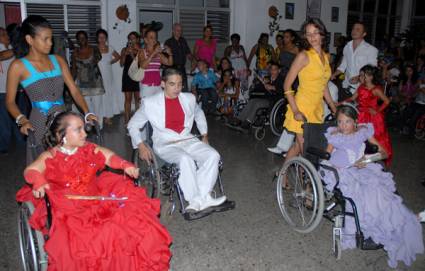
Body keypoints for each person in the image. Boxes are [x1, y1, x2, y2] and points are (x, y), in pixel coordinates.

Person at [16, 111, 172, 270]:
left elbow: (108, 156)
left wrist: (125, 165)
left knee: (130, 219)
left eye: (84, 128)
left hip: (96, 194)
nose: (85, 133)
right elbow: (31, 170)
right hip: (69, 206)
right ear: (60, 134)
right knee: (100, 234)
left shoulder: (88, 148)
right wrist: (39, 181)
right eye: (78, 129)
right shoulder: (50, 155)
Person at [320, 105, 423, 268]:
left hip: (364, 169)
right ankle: (392, 223)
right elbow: (325, 156)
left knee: (383, 194)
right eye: (340, 121)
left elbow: (384, 153)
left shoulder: (363, 132)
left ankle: (406, 219)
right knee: (365, 196)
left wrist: (367, 159)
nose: (343, 126)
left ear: (355, 121)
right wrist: (335, 167)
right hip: (343, 172)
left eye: (347, 122)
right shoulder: (335, 135)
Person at [128, 68, 227, 212]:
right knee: (185, 159)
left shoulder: (189, 98)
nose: (177, 88)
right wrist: (140, 145)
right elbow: (133, 125)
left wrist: (204, 134)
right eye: (172, 84)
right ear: (163, 84)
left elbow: (199, 113)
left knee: (213, 155)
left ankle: (203, 196)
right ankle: (195, 199)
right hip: (165, 143)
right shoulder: (150, 103)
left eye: (180, 84)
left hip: (187, 138)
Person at [5, 15, 94, 164]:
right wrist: (22, 120)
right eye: (45, 39)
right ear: (29, 40)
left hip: (63, 120)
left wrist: (87, 112)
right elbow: (9, 102)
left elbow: (74, 90)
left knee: (69, 165)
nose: (50, 43)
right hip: (39, 123)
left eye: (51, 39)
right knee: (45, 167)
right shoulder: (18, 66)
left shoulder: (58, 60)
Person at [282, 18, 336, 184]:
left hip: (316, 110)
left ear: (322, 34)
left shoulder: (326, 57)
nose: (312, 37)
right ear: (305, 37)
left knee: (298, 147)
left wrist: (334, 107)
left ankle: (282, 174)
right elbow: (287, 85)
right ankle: (307, 190)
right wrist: (296, 110)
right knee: (307, 150)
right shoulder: (303, 56)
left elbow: (323, 86)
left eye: (316, 33)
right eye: (309, 34)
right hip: (301, 108)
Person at [340, 65, 392, 165]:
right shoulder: (361, 87)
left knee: (375, 138)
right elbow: (352, 98)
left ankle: (374, 158)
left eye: (363, 75)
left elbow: (387, 101)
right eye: (361, 75)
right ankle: (360, 159)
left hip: (373, 117)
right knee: (359, 137)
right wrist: (340, 103)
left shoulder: (376, 89)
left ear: (371, 76)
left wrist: (377, 110)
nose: (361, 77)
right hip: (361, 114)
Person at [228, 61, 283, 131]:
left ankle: (248, 122)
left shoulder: (281, 79)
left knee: (257, 103)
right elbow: (260, 88)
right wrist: (258, 83)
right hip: (265, 98)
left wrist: (272, 87)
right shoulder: (268, 78)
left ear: (279, 70)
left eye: (275, 69)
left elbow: (283, 89)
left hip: (274, 101)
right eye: (271, 69)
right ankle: (239, 119)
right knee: (252, 101)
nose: (272, 71)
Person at [331, 22, 378, 100]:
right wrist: (334, 74)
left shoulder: (371, 50)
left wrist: (359, 77)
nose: (354, 31)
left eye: (358, 29)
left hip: (362, 89)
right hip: (346, 86)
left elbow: (372, 70)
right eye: (353, 29)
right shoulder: (347, 47)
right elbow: (343, 66)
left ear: (364, 34)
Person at [72, 30, 105, 128]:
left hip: (95, 82)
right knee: (86, 106)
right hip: (81, 83)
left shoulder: (94, 49)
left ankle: (99, 125)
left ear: (87, 39)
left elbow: (98, 59)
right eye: (79, 38)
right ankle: (89, 125)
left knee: (98, 106)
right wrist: (71, 83)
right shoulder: (75, 52)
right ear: (77, 40)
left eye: (83, 37)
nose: (82, 40)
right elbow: (73, 68)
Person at [0, 26, 24, 154]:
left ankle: (21, 142)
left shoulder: (10, 49)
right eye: (3, 33)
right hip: (2, 91)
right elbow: (2, 56)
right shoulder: (7, 51)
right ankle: (4, 146)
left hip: (15, 91)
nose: (6, 35)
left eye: (6, 32)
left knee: (17, 116)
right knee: (4, 121)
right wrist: (19, 48)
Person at [138, 28, 173, 99]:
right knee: (146, 108)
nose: (154, 39)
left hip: (157, 85)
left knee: (158, 108)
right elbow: (143, 66)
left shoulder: (159, 54)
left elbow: (169, 63)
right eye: (151, 37)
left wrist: (170, 54)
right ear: (146, 40)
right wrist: (153, 53)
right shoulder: (142, 52)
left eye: (155, 37)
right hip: (146, 86)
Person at [96, 29, 121, 125]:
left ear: (106, 38)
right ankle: (99, 117)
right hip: (98, 75)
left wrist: (110, 62)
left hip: (108, 75)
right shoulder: (94, 49)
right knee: (100, 96)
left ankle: (108, 116)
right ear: (97, 39)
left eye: (103, 37)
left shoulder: (110, 48)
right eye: (100, 37)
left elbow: (118, 57)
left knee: (108, 95)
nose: (102, 39)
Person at [164, 23, 193, 92]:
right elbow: (165, 58)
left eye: (180, 30)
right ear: (173, 31)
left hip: (182, 68)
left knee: (184, 88)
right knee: (174, 89)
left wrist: (194, 61)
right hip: (172, 69)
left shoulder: (183, 41)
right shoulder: (168, 42)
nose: (179, 32)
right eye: (177, 30)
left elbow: (188, 53)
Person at [120, 31, 141, 124]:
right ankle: (127, 120)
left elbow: (139, 64)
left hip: (137, 75)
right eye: (130, 38)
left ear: (137, 39)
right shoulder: (124, 49)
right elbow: (121, 64)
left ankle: (137, 120)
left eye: (133, 38)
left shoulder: (140, 50)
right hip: (127, 76)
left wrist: (132, 53)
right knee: (127, 99)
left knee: (137, 98)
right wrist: (125, 54)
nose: (131, 40)